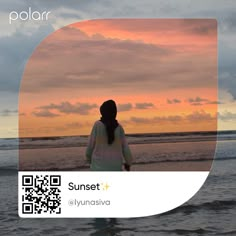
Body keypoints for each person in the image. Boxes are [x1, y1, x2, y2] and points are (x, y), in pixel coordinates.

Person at [86, 100, 132, 171]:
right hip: (116, 168)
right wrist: (128, 163)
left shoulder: (97, 125)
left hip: (98, 168)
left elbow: (90, 146)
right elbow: (125, 148)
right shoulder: (119, 128)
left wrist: (89, 160)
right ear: (115, 113)